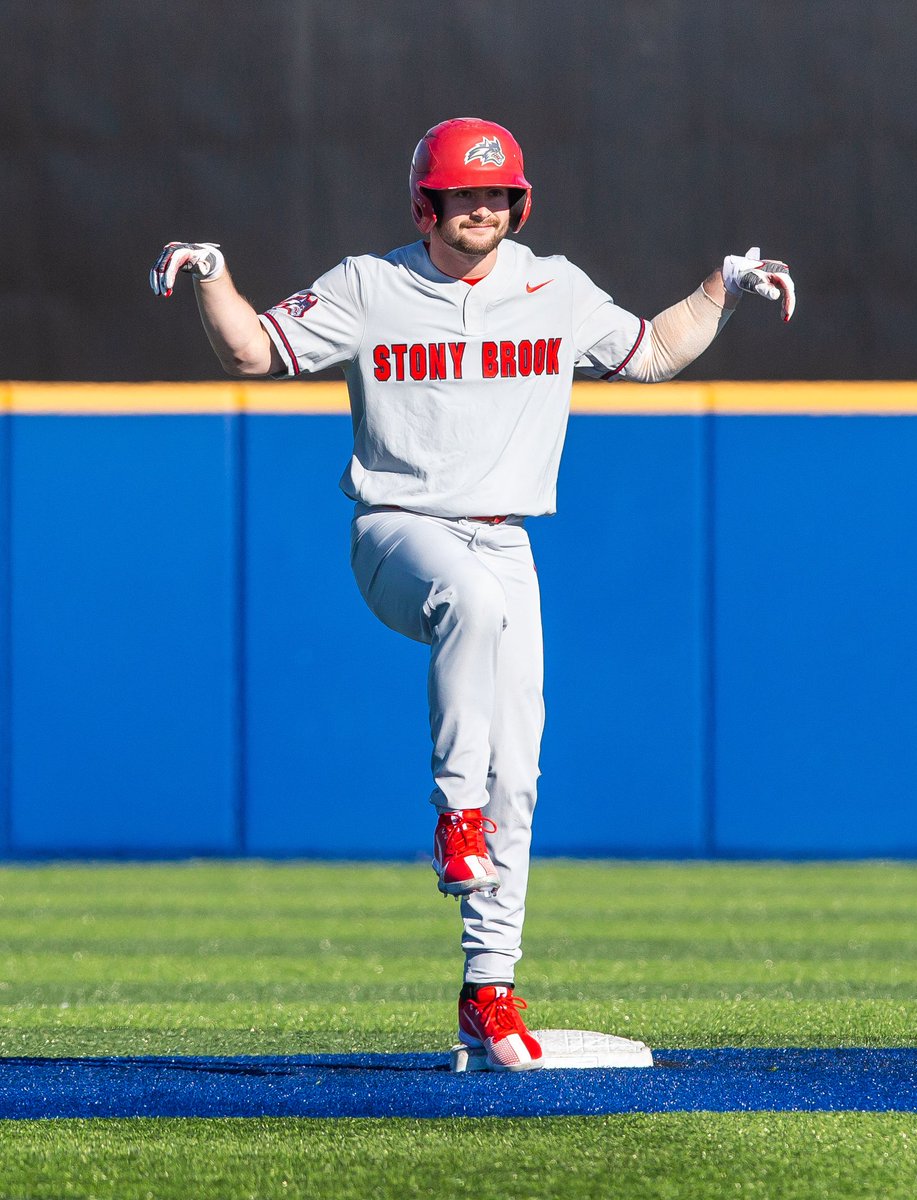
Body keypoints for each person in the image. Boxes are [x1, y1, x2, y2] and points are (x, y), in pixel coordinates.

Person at [150, 117, 795, 1073]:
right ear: (427, 203)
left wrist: (722, 289)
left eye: (496, 194)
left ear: (517, 202)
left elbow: (651, 352)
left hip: (504, 542)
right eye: (463, 194)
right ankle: (453, 813)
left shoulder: (554, 285)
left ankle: (486, 992)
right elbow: (252, 353)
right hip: (397, 533)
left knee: (521, 774)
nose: (481, 207)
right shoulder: (371, 286)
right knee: (469, 607)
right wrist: (210, 276)